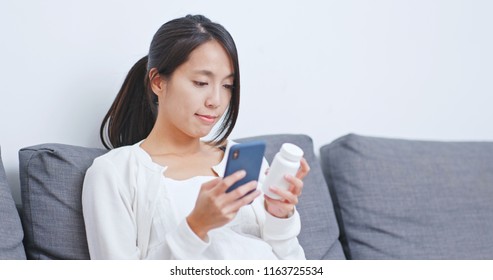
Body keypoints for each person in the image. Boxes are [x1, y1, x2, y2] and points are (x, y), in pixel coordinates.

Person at [82, 14, 310, 260]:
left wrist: (279, 216)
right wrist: (196, 227)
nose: (216, 101)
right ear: (158, 82)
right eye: (201, 82)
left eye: (227, 86)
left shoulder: (243, 162)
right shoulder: (115, 172)